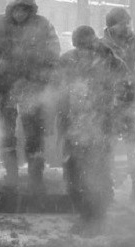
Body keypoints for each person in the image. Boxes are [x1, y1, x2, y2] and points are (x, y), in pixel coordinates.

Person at [0, 0, 60, 194]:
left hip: (32, 86)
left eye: (24, 9)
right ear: (10, 9)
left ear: (31, 10)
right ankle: (11, 175)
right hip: (4, 86)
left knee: (34, 131)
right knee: (6, 131)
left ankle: (36, 176)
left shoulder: (43, 26)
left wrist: (38, 73)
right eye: (16, 9)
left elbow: (53, 53)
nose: (20, 13)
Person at [55, 26, 129, 235]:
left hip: (100, 128)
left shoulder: (110, 62)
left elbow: (124, 91)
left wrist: (115, 118)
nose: (83, 53)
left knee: (96, 174)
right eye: (79, 48)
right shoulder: (68, 61)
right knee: (73, 175)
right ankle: (83, 214)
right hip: (74, 127)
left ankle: (97, 218)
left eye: (87, 48)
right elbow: (58, 91)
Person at [99, 7, 135, 203]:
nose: (126, 26)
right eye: (121, 23)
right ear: (111, 26)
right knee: (106, 149)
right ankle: (105, 190)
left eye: (127, 22)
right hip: (109, 105)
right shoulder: (101, 47)